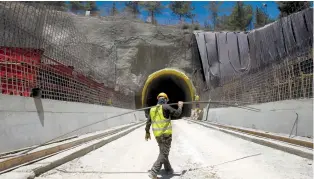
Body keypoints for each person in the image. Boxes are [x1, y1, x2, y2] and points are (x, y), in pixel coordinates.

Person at [145, 92, 183, 179]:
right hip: (166, 135)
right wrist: (180, 106)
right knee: (164, 153)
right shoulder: (166, 107)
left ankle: (168, 169)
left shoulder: (152, 109)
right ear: (165, 100)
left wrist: (147, 132)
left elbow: (148, 123)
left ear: (158, 99)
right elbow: (177, 114)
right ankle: (153, 172)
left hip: (158, 136)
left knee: (163, 152)